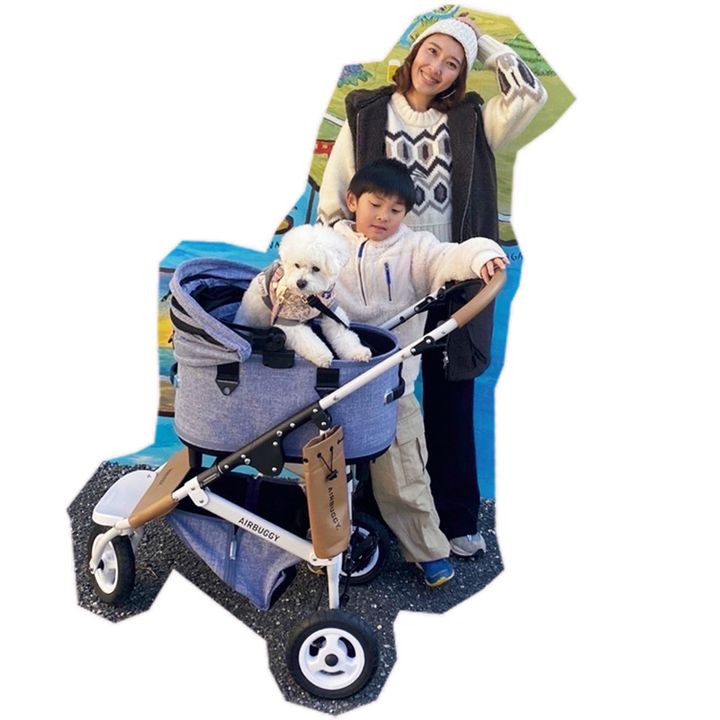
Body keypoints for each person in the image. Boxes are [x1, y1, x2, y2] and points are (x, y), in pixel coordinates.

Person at [318, 16, 546, 556]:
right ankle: (372, 513)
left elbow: (528, 94)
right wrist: (339, 268)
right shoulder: (368, 113)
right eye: (433, 51)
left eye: (452, 63)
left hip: (452, 277)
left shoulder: (472, 120)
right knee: (375, 401)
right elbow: (334, 200)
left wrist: (481, 43)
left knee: (451, 395)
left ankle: (457, 518)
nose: (437, 68)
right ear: (414, 50)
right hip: (381, 286)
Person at [331, 158, 508, 587]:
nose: (384, 217)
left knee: (406, 475)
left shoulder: (416, 249)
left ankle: (428, 551)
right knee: (324, 473)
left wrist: (483, 256)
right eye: (375, 205)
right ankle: (323, 543)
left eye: (395, 210)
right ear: (353, 201)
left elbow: (453, 256)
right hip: (332, 385)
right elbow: (293, 272)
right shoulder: (327, 244)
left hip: (393, 387)